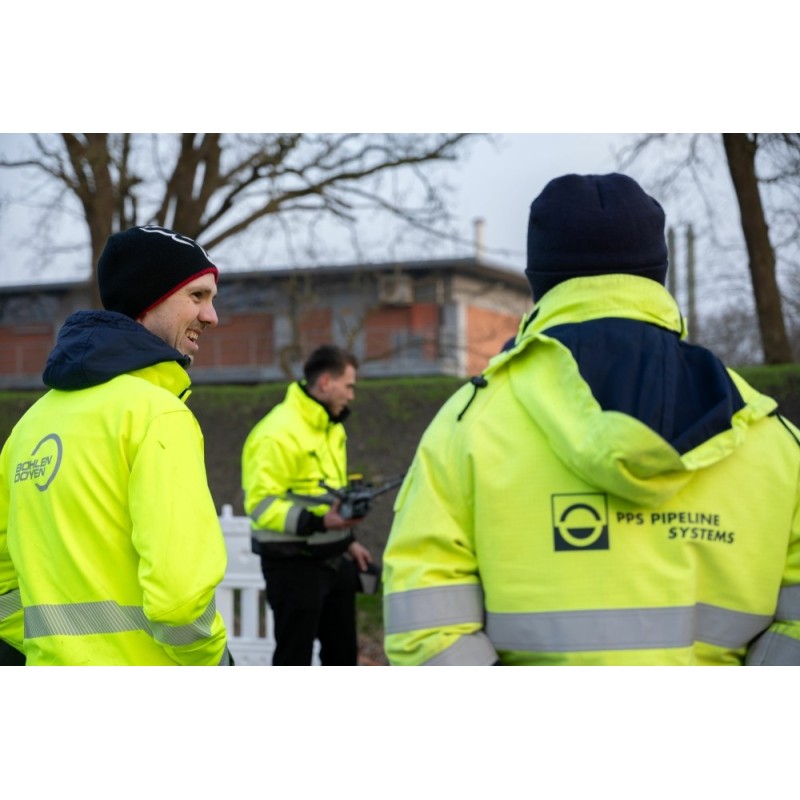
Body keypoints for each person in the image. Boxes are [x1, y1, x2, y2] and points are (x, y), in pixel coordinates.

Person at [382, 172, 800, 666]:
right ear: (657, 273)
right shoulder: (767, 433)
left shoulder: (467, 425)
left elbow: (425, 628)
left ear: (540, 279)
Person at [0, 225, 232, 666]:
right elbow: (181, 599)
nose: (212, 316)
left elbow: (3, 584)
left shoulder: (29, 425)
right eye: (197, 296)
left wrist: (49, 647)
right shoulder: (158, 416)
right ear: (150, 299)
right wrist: (212, 661)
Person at [242, 344, 373, 665]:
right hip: (292, 566)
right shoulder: (275, 433)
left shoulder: (332, 426)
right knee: (294, 659)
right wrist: (321, 523)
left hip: (334, 558)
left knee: (342, 657)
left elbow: (327, 496)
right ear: (326, 383)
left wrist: (348, 541)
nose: (352, 395)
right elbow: (260, 504)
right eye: (348, 386)